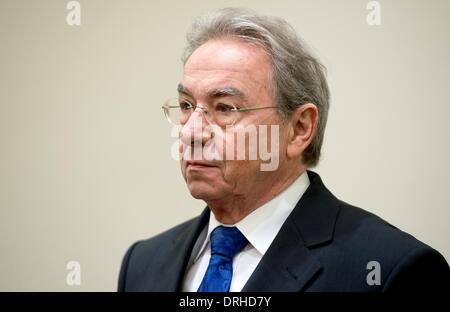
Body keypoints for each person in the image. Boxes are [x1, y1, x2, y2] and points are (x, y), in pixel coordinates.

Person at [118, 8, 449, 292]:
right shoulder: (142, 264)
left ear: (300, 129)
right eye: (187, 105)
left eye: (225, 108)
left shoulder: (389, 270)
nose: (189, 131)